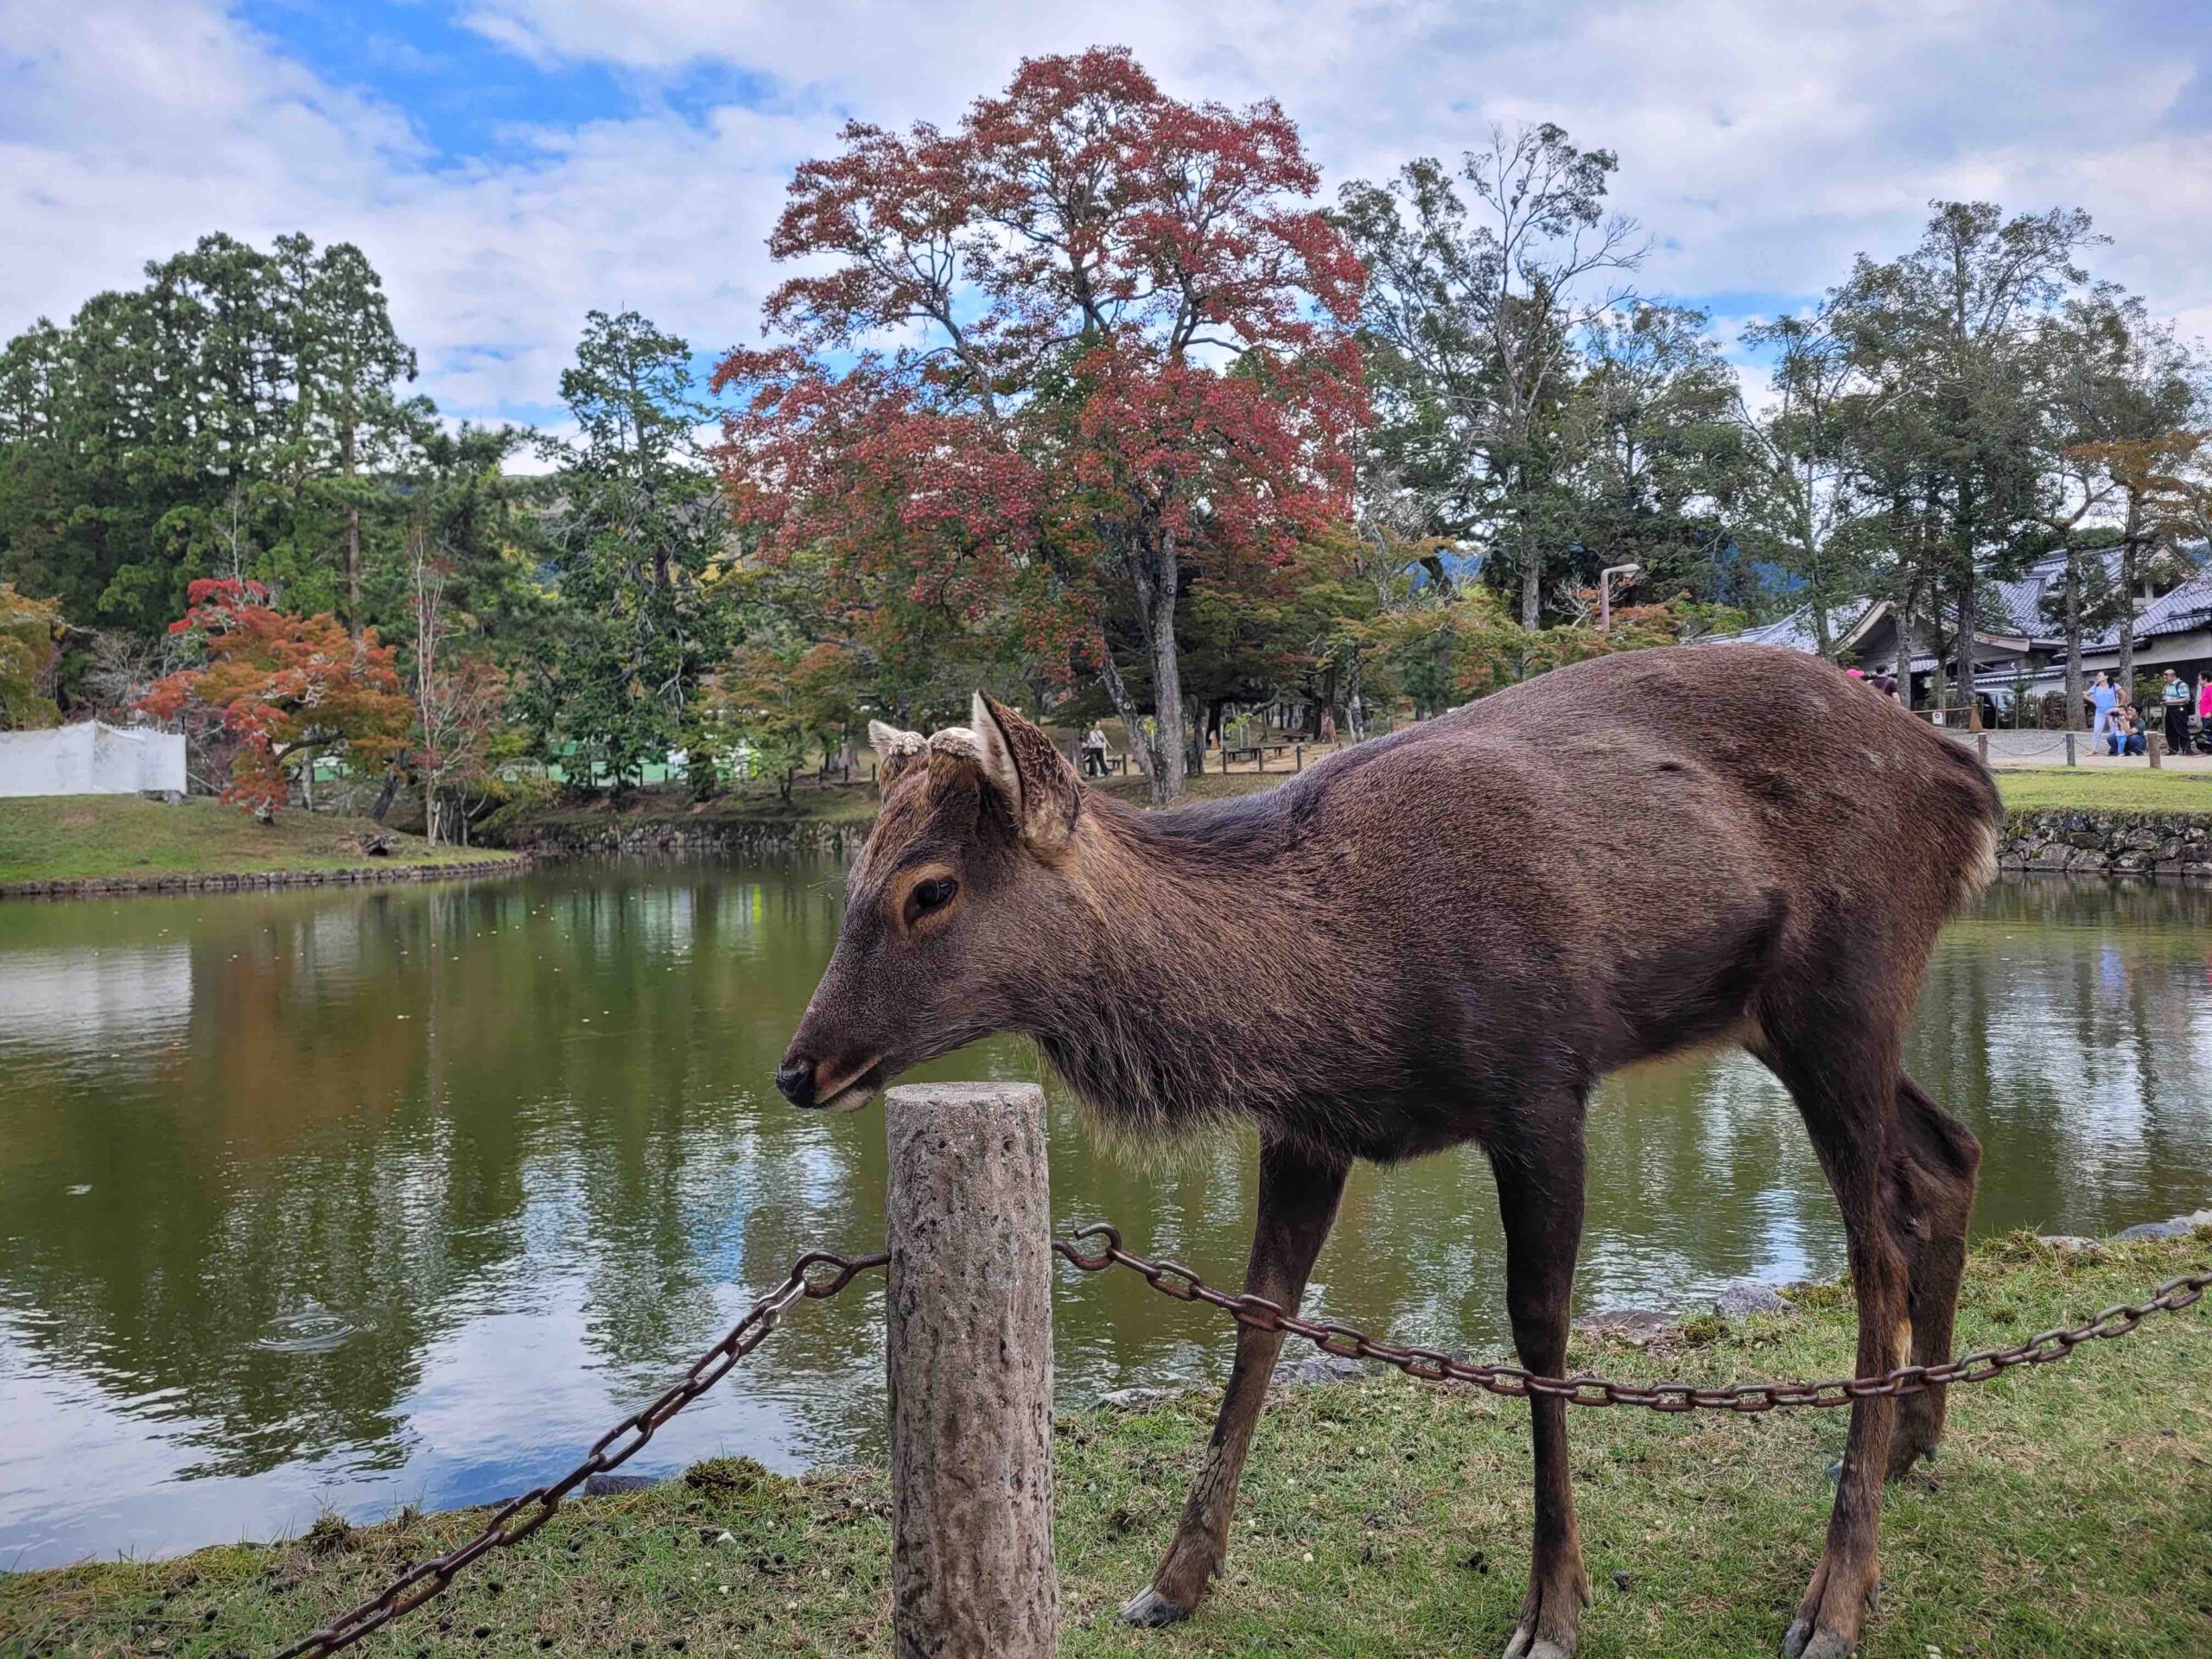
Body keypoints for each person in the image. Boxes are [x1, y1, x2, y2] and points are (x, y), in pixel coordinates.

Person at [2162, 669, 2193, 758]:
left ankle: (2186, 749)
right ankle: (2173, 749)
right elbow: (2165, 696)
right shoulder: (2167, 685)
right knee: (2170, 730)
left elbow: (2186, 698)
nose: (2165, 680)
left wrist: (2170, 701)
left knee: (2181, 728)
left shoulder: (2181, 685)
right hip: (2169, 708)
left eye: (2166, 678)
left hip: (2179, 708)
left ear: (2172, 676)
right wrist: (2164, 702)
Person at [2086, 671, 2120, 753]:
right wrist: (2094, 701)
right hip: (2100, 712)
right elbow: (2085, 695)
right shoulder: (2095, 687)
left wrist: (2119, 705)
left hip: (2112, 711)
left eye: (2100, 675)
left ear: (2106, 677)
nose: (2098, 677)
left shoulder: (2113, 686)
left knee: (2114, 730)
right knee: (2097, 730)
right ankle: (2094, 749)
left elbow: (2123, 694)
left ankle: (2115, 748)